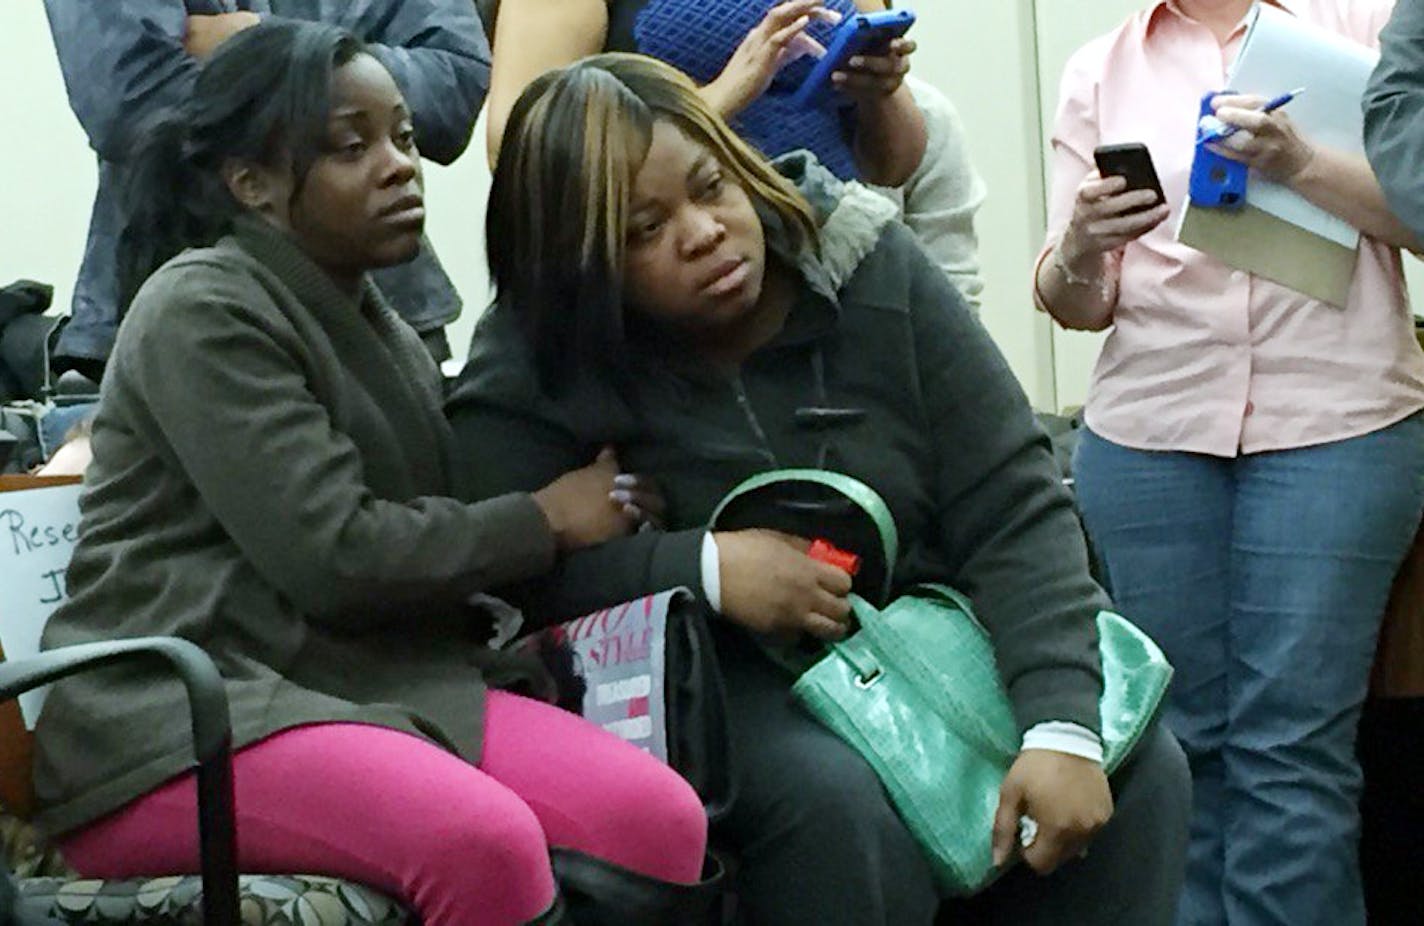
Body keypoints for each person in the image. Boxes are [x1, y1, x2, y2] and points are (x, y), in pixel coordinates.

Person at [447, 53, 1191, 926]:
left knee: (1139, 768)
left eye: (711, 186)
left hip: (931, 623)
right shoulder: (539, 357)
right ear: (581, 269)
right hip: (724, 682)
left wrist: (1061, 724)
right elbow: (494, 589)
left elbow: (1014, 500)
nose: (704, 232)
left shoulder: (867, 259)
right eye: (644, 229)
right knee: (836, 804)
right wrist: (703, 568)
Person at [29, 22, 715, 926]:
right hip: (182, 722)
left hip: (362, 678)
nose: (401, 166)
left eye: (402, 136)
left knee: (653, 818)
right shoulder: (201, 308)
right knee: (484, 846)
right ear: (254, 185)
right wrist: (543, 520)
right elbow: (337, 553)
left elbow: (423, 509)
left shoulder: (374, 318)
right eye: (354, 147)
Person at [1034, 2, 1424, 924]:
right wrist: (1086, 242)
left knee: (1294, 751)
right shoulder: (1101, 67)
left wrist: (1300, 165)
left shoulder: (1366, 32)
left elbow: (1416, 217)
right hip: (1150, 435)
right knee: (1179, 750)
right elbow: (1072, 301)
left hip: (1340, 425)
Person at [42, 0, 491, 378]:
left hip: (388, 314)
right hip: (183, 310)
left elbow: (456, 82)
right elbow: (131, 99)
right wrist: (348, 80)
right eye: (353, 145)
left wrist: (259, 40)